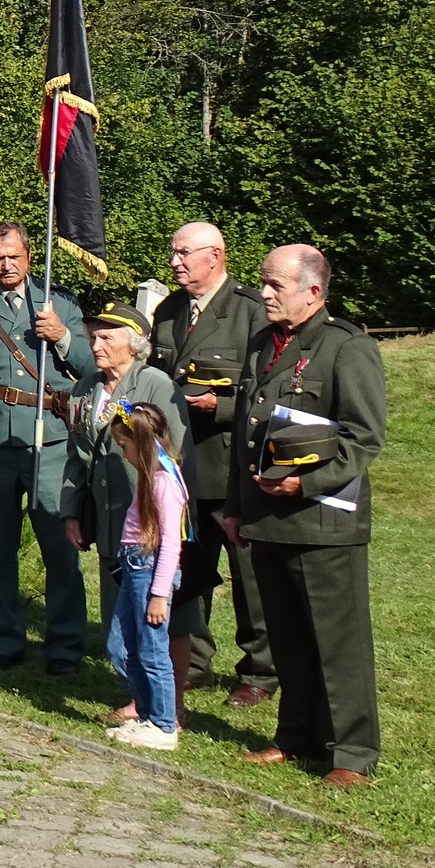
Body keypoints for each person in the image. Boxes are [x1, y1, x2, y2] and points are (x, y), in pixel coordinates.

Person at [225, 244, 385, 788]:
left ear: (313, 292)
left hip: (322, 521)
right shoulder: (264, 343)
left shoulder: (346, 348)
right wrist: (236, 508)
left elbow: (364, 438)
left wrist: (307, 482)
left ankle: (352, 753)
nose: (264, 294)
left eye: (275, 285)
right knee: (289, 637)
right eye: (263, 283)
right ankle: (295, 737)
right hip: (267, 515)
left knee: (338, 641)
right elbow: (245, 432)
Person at [0, 222, 97, 674]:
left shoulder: (59, 303)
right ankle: (3, 640)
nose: (6, 266)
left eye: (13, 256)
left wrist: (63, 336)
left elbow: (94, 366)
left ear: (29, 256)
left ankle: (66, 645)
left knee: (59, 544)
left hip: (49, 437)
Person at [149, 221, 276, 708]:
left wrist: (219, 409)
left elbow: (265, 389)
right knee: (188, 567)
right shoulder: (168, 311)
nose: (175, 261)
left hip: (230, 466)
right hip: (181, 466)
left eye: (184, 253)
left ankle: (259, 670)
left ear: (215, 255)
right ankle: (194, 658)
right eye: (174, 252)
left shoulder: (249, 312)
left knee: (249, 576)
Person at [61, 301, 184, 721]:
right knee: (119, 613)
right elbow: (75, 456)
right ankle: (138, 696)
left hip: (147, 525)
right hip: (109, 519)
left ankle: (153, 707)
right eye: (92, 336)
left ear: (133, 345)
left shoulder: (155, 385)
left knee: (145, 613)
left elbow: (172, 455)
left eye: (106, 337)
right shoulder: (84, 388)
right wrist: (71, 511)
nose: (95, 344)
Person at [102, 401, 190, 752]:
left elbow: (171, 543)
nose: (122, 452)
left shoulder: (165, 483)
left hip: (151, 570)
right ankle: (147, 714)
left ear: (141, 442)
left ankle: (164, 725)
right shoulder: (148, 477)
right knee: (119, 647)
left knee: (152, 650)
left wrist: (158, 593)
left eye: (124, 445)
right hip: (133, 564)